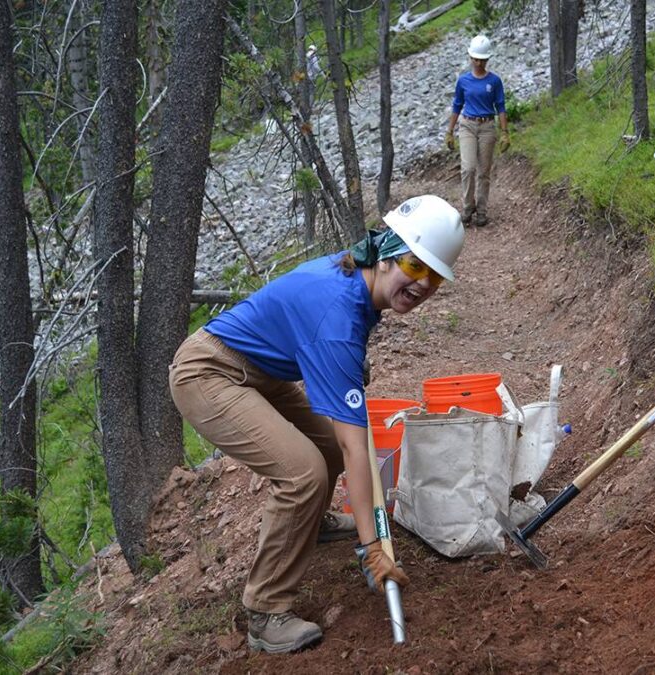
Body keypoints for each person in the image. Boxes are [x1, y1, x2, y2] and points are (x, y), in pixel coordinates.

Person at [169, 195, 465, 654]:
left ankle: (313, 519)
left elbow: (342, 433)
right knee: (303, 471)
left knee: (323, 445)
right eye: (414, 265)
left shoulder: (358, 279)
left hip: (263, 369)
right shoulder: (338, 317)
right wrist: (373, 547)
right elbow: (356, 446)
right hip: (209, 373)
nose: (423, 283)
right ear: (386, 253)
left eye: (434, 276)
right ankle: (266, 612)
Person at [445, 34, 510, 228]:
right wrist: (449, 131)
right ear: (470, 58)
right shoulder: (463, 81)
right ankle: (467, 206)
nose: (479, 62)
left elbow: (501, 107)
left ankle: (481, 210)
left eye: (482, 59)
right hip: (467, 125)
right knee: (468, 168)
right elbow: (457, 105)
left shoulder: (495, 81)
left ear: (487, 59)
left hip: (487, 126)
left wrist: (505, 132)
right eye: (475, 59)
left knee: (484, 171)